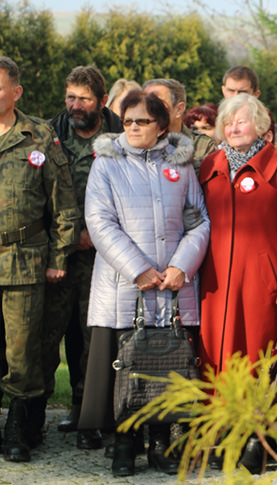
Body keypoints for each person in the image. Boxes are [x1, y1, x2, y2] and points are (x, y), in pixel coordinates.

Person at [79, 89, 209, 477]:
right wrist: (137, 268)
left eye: (142, 121)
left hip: (170, 287)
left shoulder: (181, 166)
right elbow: (100, 222)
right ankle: (124, 444)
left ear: (161, 126)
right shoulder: (107, 164)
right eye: (128, 120)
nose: (133, 127)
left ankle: (160, 443)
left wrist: (181, 266)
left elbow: (198, 220)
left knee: (163, 367)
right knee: (124, 369)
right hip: (124, 287)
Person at [198, 93, 277, 471]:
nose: (233, 128)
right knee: (216, 358)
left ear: (261, 125)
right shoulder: (210, 164)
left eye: (241, 122)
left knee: (260, 361)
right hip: (214, 285)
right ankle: (220, 433)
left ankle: (255, 441)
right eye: (227, 123)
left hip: (263, 284)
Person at [0, 56, 81, 463]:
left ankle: (21, 423)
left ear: (16, 92)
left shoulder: (39, 137)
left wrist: (58, 256)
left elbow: (64, 205)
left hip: (22, 259)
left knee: (23, 351)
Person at [44, 65, 123, 451]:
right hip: (58, 254)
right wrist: (68, 235)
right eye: (71, 97)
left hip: (103, 257)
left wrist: (97, 234)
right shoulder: (48, 134)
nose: (76, 106)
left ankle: (90, 415)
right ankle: (30, 416)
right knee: (49, 338)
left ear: (102, 101)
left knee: (95, 342)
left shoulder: (122, 137)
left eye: (84, 99)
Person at [143, 78, 217, 173]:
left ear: (179, 109)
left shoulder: (202, 145)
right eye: (145, 103)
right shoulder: (132, 143)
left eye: (158, 103)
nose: (149, 109)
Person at [221, 65, 277, 150]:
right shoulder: (209, 124)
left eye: (242, 92)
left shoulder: (269, 130)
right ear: (223, 90)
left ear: (256, 94)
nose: (235, 96)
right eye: (231, 91)